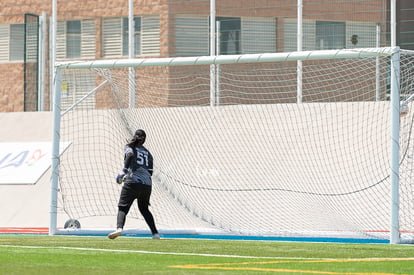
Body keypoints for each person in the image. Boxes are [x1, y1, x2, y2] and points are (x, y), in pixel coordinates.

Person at [108, 129, 160, 240]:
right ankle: (155, 233)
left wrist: (124, 172)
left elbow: (130, 155)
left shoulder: (129, 146)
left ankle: (119, 229)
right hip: (147, 185)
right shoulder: (149, 154)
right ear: (144, 140)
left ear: (134, 136)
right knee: (144, 209)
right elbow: (150, 172)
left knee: (123, 208)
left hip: (132, 182)